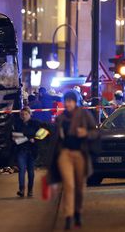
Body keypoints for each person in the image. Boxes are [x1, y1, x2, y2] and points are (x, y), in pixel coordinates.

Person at [48, 91, 99, 230]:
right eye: (66, 101)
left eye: (71, 101)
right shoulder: (61, 118)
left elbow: (95, 132)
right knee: (69, 185)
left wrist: (86, 133)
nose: (68, 103)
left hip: (80, 154)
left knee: (80, 187)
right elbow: (55, 139)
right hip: (65, 154)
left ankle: (78, 212)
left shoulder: (84, 114)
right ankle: (68, 216)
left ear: (75, 102)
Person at [13, 107, 42, 197]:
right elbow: (15, 137)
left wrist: (34, 139)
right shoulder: (17, 124)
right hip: (21, 150)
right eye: (22, 114)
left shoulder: (36, 123)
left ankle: (30, 190)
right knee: (21, 170)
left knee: (30, 171)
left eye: (26, 114)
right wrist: (29, 137)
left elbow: (41, 134)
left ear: (30, 114)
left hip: (32, 151)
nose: (24, 116)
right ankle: (21, 190)